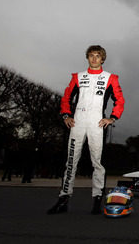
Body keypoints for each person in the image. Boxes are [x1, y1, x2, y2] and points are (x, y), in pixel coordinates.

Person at [47, 45, 125, 215]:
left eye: (98, 56)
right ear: (87, 58)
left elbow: (119, 100)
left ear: (103, 58)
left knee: (97, 162)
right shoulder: (78, 77)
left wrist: (112, 118)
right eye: (91, 56)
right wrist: (66, 115)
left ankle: (97, 199)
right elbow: (67, 97)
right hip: (78, 122)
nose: (94, 59)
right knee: (70, 161)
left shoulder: (110, 78)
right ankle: (64, 198)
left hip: (97, 123)